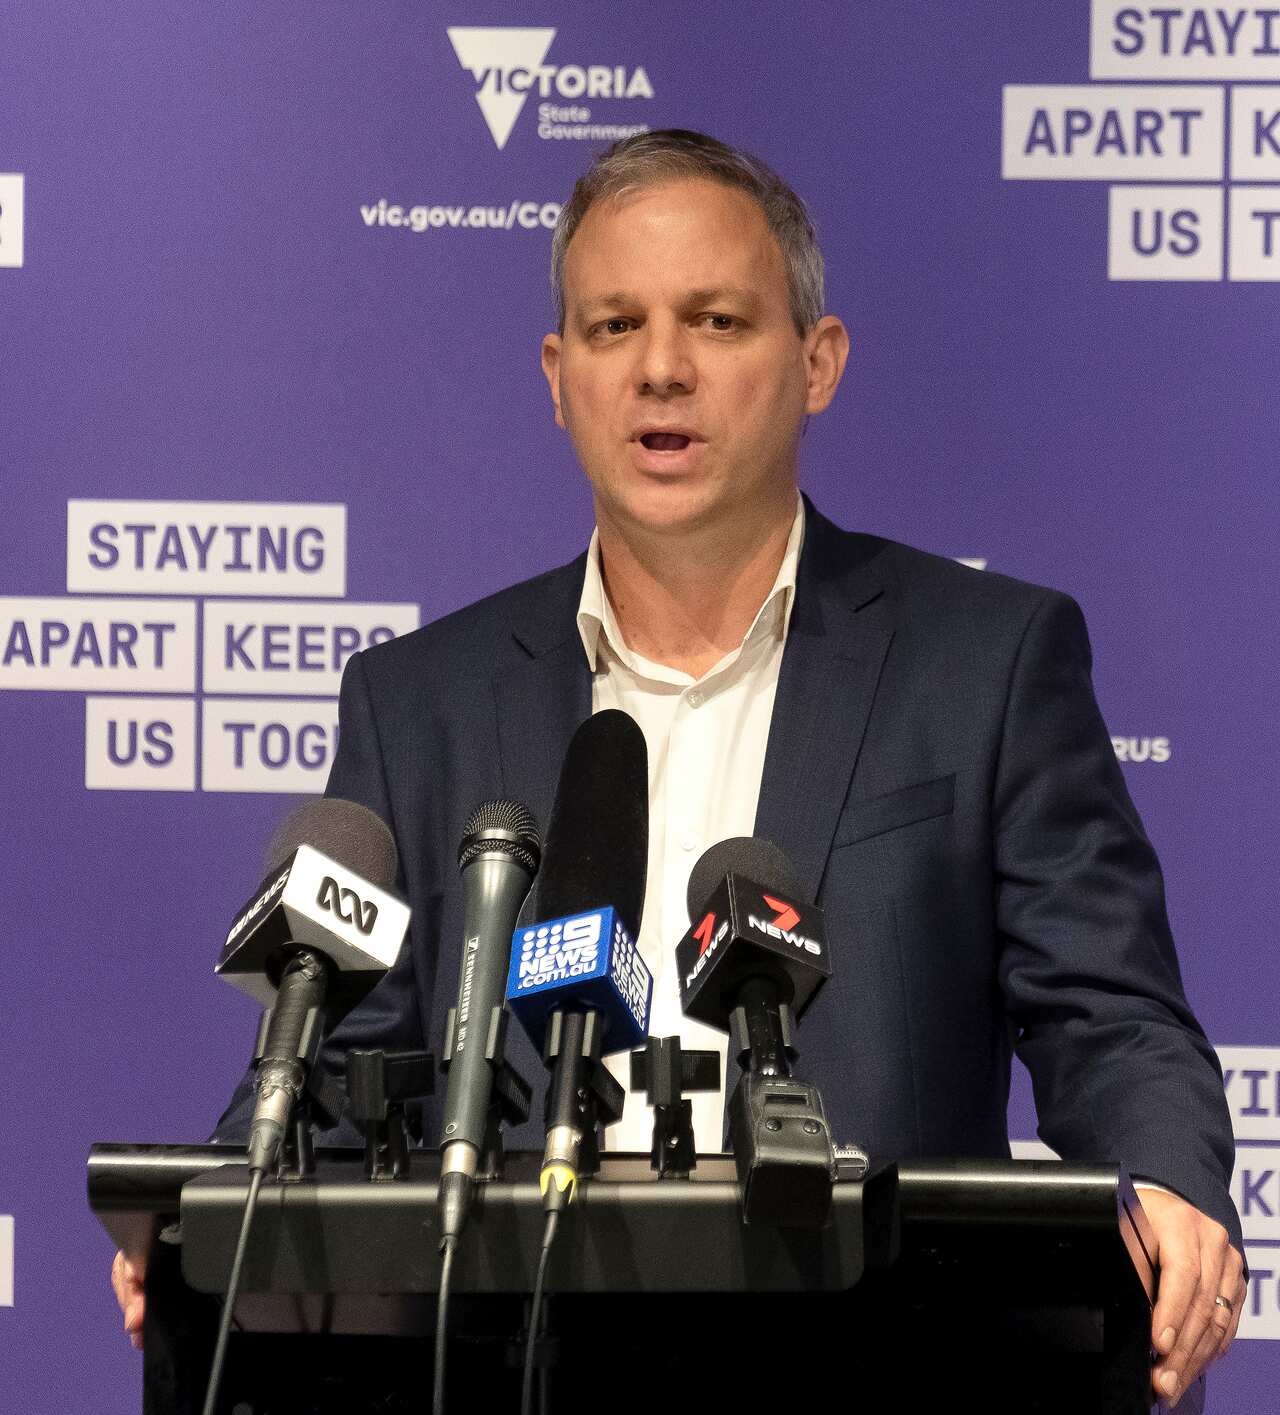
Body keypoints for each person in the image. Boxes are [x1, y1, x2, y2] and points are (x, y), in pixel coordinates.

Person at [114, 130, 1244, 1405]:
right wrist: (207, 1215)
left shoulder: (982, 665)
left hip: (876, 1356)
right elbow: (329, 1057)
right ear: (556, 375)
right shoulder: (420, 700)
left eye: (714, 319)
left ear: (815, 363)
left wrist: (1166, 1177)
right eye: (612, 327)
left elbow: (1110, 1015)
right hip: (512, 1360)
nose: (660, 369)